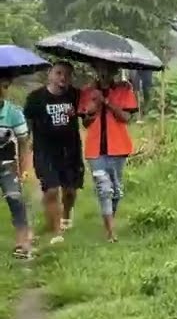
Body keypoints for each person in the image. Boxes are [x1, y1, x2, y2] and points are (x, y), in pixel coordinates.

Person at [24, 61, 83, 243]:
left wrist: (80, 114)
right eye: (58, 73)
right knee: (51, 190)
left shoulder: (76, 95)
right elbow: (27, 122)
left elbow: (88, 117)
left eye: (67, 74)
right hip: (45, 151)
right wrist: (25, 143)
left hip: (70, 150)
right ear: (50, 74)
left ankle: (66, 215)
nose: (63, 78)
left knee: (70, 191)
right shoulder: (36, 98)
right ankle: (57, 232)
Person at [79, 63, 138, 242]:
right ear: (96, 70)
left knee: (116, 192)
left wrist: (106, 102)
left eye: (108, 69)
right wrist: (93, 108)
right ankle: (110, 231)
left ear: (115, 71)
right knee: (104, 189)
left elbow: (126, 118)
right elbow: (85, 123)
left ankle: (109, 218)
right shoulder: (87, 91)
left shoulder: (124, 90)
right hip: (95, 149)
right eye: (100, 69)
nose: (104, 72)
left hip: (118, 147)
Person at [0, 74, 34, 259]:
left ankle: (22, 242)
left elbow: (23, 143)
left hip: (7, 164)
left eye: (4, 87)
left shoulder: (13, 113)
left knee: (15, 199)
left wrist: (24, 168)